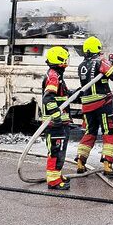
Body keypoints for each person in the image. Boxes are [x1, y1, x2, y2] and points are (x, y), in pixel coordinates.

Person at [76, 36, 113, 177]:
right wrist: (110, 62)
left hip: (87, 105)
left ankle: (80, 162)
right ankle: (107, 165)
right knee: (109, 131)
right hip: (102, 103)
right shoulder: (100, 62)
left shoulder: (81, 66)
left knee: (90, 132)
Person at [42, 46, 73, 190]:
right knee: (55, 150)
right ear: (59, 59)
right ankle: (53, 180)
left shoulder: (56, 75)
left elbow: (60, 96)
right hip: (55, 124)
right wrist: (56, 117)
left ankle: (57, 174)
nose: (67, 61)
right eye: (65, 58)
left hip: (60, 122)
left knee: (60, 150)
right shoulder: (53, 76)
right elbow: (48, 98)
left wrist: (75, 93)